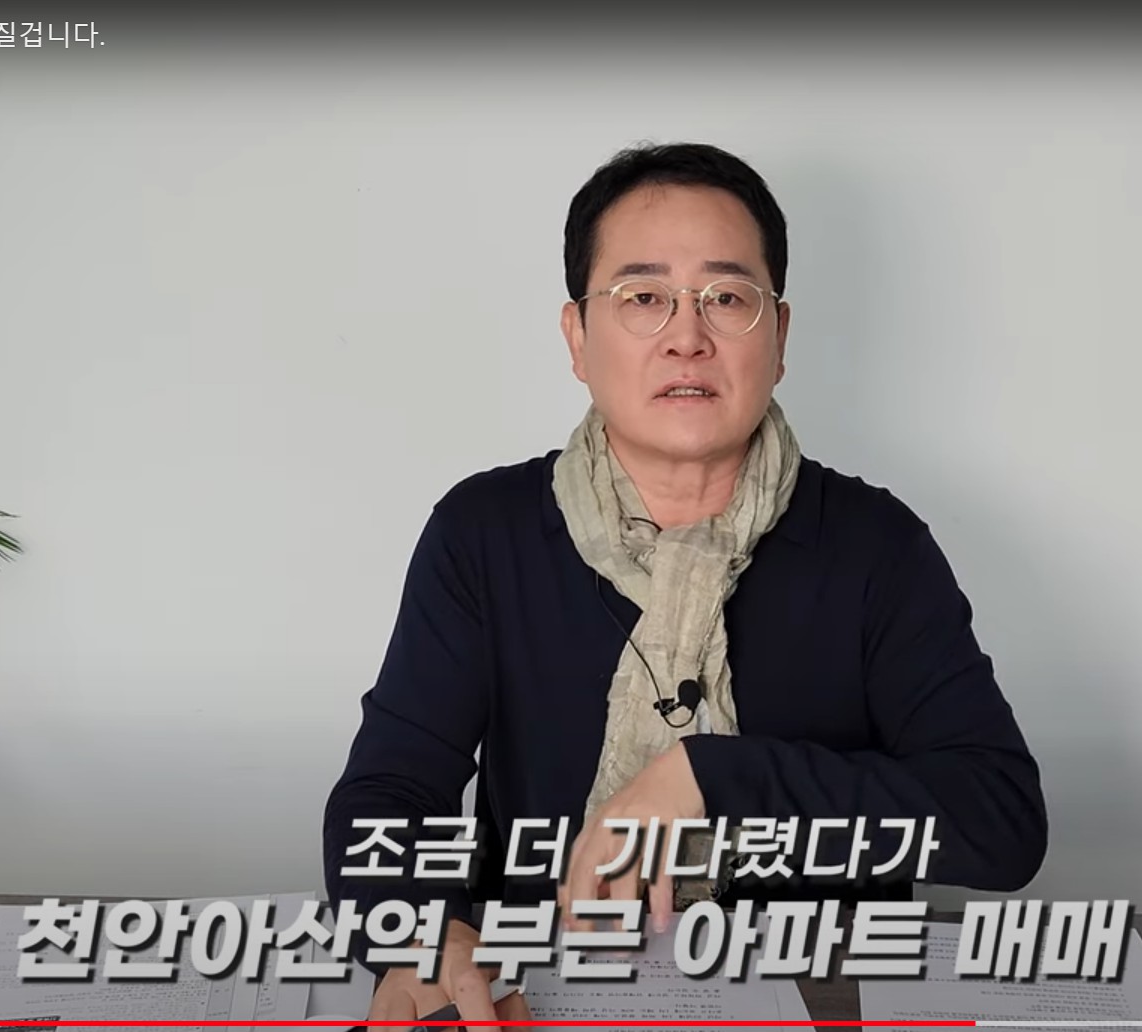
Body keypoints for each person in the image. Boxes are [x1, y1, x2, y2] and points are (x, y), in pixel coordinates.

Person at [323, 142, 1047, 1023]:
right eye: (643, 297)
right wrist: (425, 931)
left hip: (816, 999)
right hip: (535, 999)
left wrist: (717, 779)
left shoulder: (875, 545)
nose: (687, 336)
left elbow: (999, 821)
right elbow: (389, 798)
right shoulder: (485, 533)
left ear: (780, 337)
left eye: (727, 298)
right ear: (577, 337)